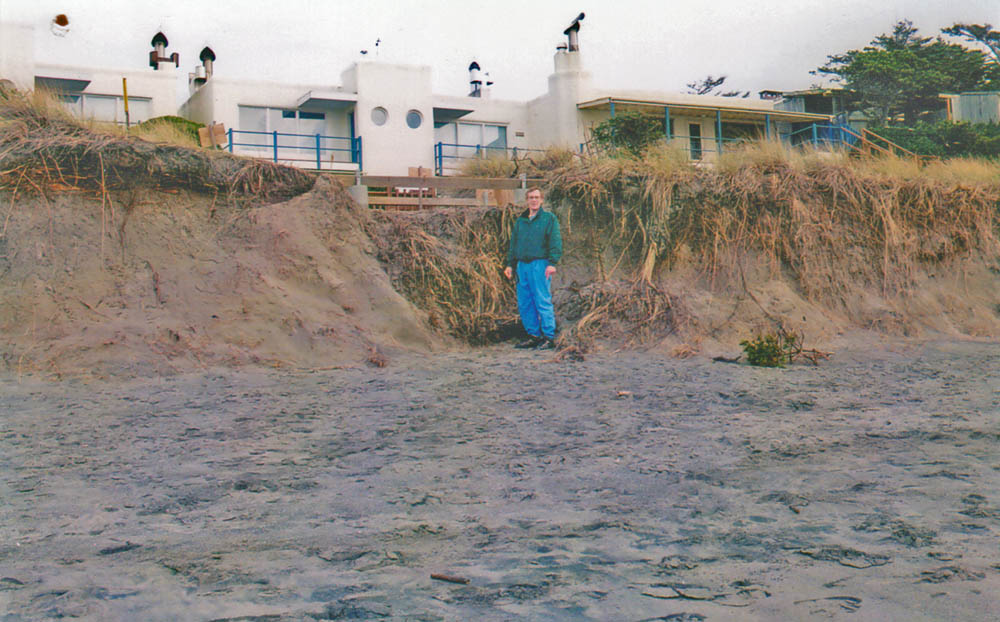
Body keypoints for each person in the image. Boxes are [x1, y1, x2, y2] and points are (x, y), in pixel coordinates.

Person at [504, 186, 562, 350]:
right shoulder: (521, 221)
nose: (534, 200)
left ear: (541, 200)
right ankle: (534, 335)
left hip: (540, 264)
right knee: (525, 302)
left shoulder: (549, 219)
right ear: (527, 200)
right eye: (531, 197)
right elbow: (514, 244)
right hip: (522, 266)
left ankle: (548, 337)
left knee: (542, 300)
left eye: (537, 197)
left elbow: (555, 241)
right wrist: (510, 265)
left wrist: (552, 263)